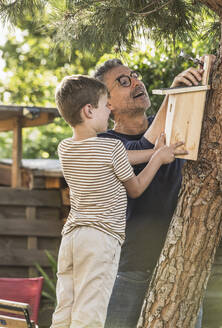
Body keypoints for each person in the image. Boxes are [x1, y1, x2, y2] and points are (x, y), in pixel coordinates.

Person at [51, 75, 186, 328]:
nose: (108, 113)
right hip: (100, 240)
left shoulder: (65, 148)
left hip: (71, 237)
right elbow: (135, 189)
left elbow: (125, 155)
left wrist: (154, 151)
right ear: (89, 110)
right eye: (105, 107)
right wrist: (157, 159)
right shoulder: (112, 148)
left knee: (65, 306)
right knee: (91, 311)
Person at [94, 59, 205, 328]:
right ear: (107, 104)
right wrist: (173, 95)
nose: (136, 82)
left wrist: (201, 75)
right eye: (123, 81)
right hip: (129, 272)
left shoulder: (173, 123)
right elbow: (145, 149)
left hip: (181, 268)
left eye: (134, 76)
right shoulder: (105, 144)